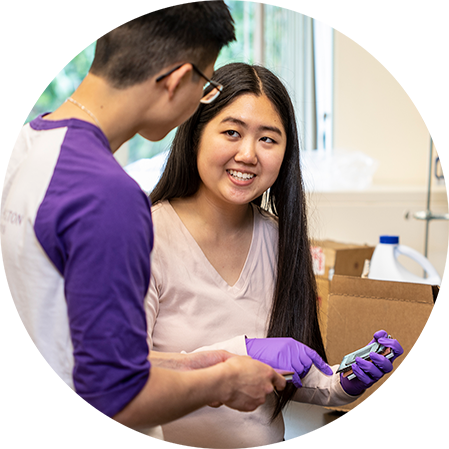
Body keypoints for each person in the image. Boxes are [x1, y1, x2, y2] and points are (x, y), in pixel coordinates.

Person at [0, 4, 287, 449]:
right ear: (176, 79)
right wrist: (226, 380)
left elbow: (77, 345)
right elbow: (121, 390)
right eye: (206, 86)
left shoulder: (21, 150)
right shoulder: (107, 196)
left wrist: (198, 364)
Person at [147, 62, 404, 448]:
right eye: (231, 132)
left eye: (268, 139)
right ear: (196, 134)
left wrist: (339, 382)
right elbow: (123, 373)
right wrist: (244, 352)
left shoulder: (280, 239)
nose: (248, 154)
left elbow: (287, 379)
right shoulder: (143, 236)